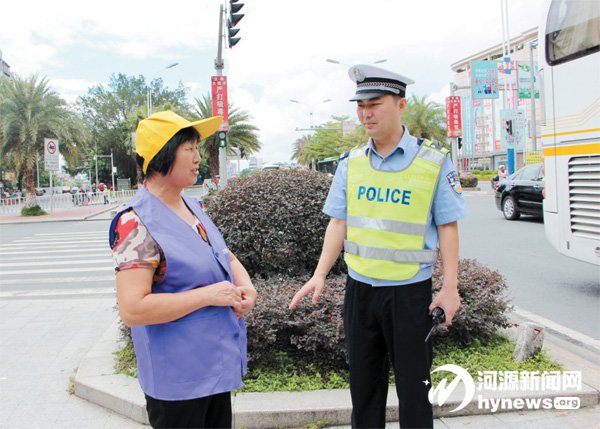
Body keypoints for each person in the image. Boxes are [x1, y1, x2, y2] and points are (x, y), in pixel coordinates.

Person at [289, 65, 468, 429]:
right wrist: (319, 274)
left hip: (409, 294)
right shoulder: (351, 163)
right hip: (360, 292)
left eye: (375, 104)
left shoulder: (432, 161)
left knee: (415, 393)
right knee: (364, 391)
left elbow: (448, 227)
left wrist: (450, 287)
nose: (366, 113)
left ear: (401, 105)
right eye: (361, 105)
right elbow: (338, 223)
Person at [109, 110, 257, 429]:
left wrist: (246, 287)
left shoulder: (192, 206)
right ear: (162, 155)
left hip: (214, 366)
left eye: (196, 148)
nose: (197, 157)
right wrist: (208, 296)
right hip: (177, 382)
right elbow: (133, 309)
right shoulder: (135, 223)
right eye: (189, 148)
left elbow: (225, 256)